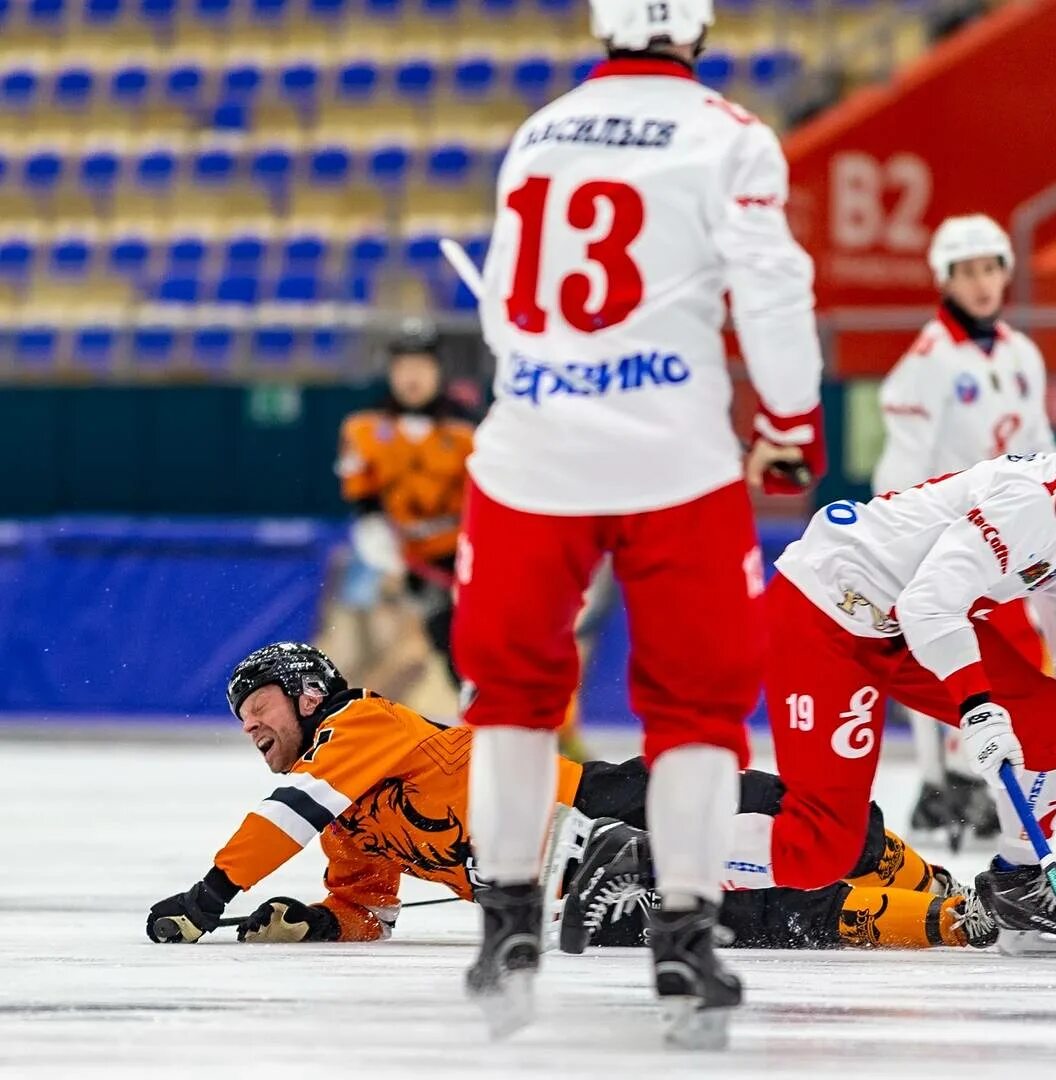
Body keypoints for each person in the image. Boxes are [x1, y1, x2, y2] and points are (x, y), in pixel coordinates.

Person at [458, 0, 824, 1045]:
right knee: (697, 709)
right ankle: (685, 937)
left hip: (530, 453)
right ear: (697, 32)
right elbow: (773, 289)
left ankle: (508, 929)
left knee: (514, 700)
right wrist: (791, 423)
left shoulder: (539, 131)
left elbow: (502, 310)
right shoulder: (732, 136)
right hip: (676, 458)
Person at [710, 385, 1056, 951]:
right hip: (826, 617)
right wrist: (978, 710)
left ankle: (1018, 886)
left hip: (904, 626)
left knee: (1045, 721)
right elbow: (930, 603)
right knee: (822, 846)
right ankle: (648, 864)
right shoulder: (1031, 500)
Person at [143, 644, 993, 954]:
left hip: (597, 808)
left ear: (307, 695)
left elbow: (289, 815)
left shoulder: (357, 726)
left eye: (258, 708)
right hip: (563, 900)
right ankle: (950, 921)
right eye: (240, 718)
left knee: (785, 825)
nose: (249, 727)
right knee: (764, 917)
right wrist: (310, 922)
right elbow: (368, 913)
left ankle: (931, 882)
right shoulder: (345, 817)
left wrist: (210, 895)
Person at [872, 214, 1056, 850]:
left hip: (1005, 537)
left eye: (990, 268)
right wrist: (901, 535)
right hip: (943, 532)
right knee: (938, 644)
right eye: (967, 271)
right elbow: (902, 462)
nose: (981, 283)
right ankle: (941, 781)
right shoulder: (926, 361)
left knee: (1015, 654)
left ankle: (965, 777)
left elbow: (1040, 448)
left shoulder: (1022, 354)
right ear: (944, 279)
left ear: (1006, 272)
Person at [336, 318, 474, 687]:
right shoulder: (363, 429)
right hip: (414, 562)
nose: (412, 377)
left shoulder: (470, 431)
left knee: (487, 649)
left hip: (470, 557)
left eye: (421, 366)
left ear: (438, 370)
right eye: (403, 367)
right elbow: (364, 504)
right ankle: (477, 733)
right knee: (451, 648)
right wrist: (384, 550)